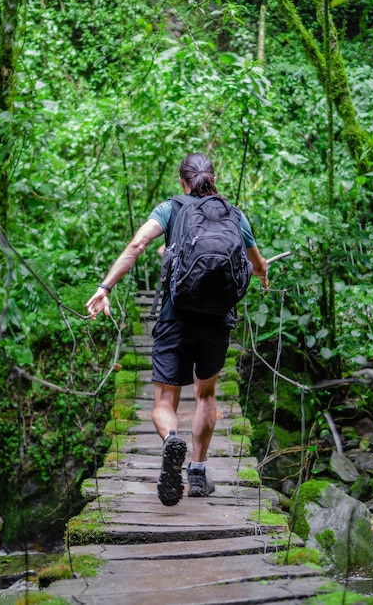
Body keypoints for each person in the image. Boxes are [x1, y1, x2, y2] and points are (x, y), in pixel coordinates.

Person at [86, 153, 269, 506]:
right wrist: (262, 275)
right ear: (213, 179)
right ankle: (197, 474)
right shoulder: (234, 214)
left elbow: (137, 245)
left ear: (182, 181)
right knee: (205, 395)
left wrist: (105, 288)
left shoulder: (170, 209)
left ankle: (172, 438)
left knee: (164, 400)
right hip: (217, 318)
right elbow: (256, 263)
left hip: (175, 315)